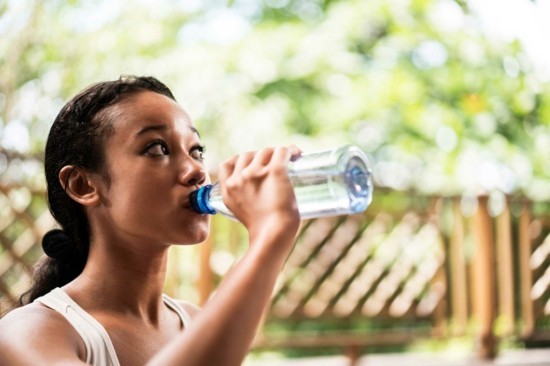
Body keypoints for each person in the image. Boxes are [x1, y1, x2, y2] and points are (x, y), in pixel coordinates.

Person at [0, 75, 301, 365]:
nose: (196, 171)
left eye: (196, 151)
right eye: (157, 148)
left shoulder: (195, 322)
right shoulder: (30, 332)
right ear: (83, 185)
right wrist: (269, 239)